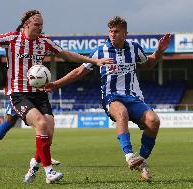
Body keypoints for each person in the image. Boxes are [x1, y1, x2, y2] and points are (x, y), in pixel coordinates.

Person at [0, 9, 112, 184]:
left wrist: (94, 61)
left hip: (40, 94)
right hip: (19, 93)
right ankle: (49, 172)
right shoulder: (12, 39)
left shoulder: (44, 42)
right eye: (37, 24)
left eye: (42, 25)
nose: (40, 28)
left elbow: (67, 54)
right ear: (26, 24)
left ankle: (34, 165)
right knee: (40, 124)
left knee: (49, 131)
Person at [45, 16, 171, 182]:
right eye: (110, 31)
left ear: (125, 33)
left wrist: (159, 51)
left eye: (116, 31)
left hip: (134, 97)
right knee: (122, 113)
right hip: (111, 97)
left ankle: (142, 161)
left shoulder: (134, 49)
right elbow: (79, 72)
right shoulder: (100, 51)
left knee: (154, 121)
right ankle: (129, 156)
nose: (112, 34)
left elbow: (148, 64)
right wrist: (55, 84)